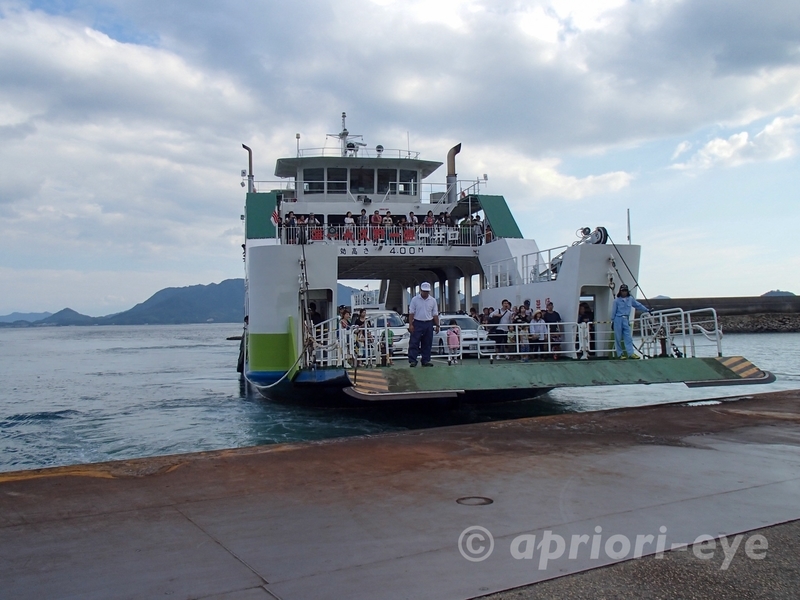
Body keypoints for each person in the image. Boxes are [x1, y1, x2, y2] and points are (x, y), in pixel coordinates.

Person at [611, 284, 649, 359]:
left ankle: (630, 353)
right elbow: (613, 312)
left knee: (628, 337)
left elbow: (638, 305)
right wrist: (612, 321)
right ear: (620, 291)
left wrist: (647, 310)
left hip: (626, 319)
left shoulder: (630, 299)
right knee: (618, 337)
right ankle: (620, 354)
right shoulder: (616, 301)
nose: (624, 292)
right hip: (618, 319)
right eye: (622, 291)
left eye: (625, 291)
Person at [407, 282, 439, 367]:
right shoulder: (415, 300)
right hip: (417, 322)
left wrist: (437, 325)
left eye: (427, 291)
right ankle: (413, 360)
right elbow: (411, 313)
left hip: (429, 323)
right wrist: (411, 324)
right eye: (424, 291)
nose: (425, 293)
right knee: (414, 342)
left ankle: (425, 360)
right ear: (421, 290)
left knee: (427, 342)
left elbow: (435, 314)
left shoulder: (433, 300)